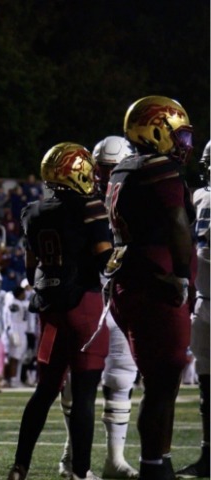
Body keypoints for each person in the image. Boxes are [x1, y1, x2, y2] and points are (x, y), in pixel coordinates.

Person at [8, 142, 113, 480]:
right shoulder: (90, 207)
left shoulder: (32, 212)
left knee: (45, 391)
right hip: (84, 306)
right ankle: (81, 471)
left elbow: (30, 268)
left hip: (49, 310)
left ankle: (20, 465)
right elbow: (105, 261)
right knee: (84, 394)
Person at [105, 96, 196, 480]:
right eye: (180, 135)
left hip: (133, 280)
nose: (184, 144)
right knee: (161, 383)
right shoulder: (159, 168)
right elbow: (176, 222)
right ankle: (153, 468)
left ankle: (162, 462)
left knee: (163, 381)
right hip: (156, 282)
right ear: (157, 131)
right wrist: (182, 274)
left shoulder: (124, 169)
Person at [58, 135, 140, 479]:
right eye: (102, 168)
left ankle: (114, 459)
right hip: (87, 294)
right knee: (76, 380)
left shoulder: (136, 198)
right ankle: (71, 453)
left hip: (118, 294)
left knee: (121, 376)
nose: (105, 175)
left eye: (112, 168)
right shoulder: (81, 201)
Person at [176, 139, 210, 478]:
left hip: (203, 297)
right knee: (206, 381)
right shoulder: (198, 196)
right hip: (203, 299)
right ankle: (208, 454)